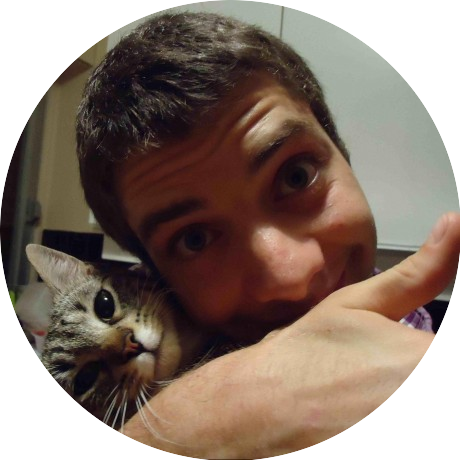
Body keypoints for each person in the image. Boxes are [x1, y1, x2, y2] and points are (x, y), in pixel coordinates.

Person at [2, 11, 460, 459]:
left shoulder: (419, 335)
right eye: (195, 239)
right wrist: (193, 432)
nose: (291, 276)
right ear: (152, 270)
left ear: (343, 152)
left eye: (296, 176)